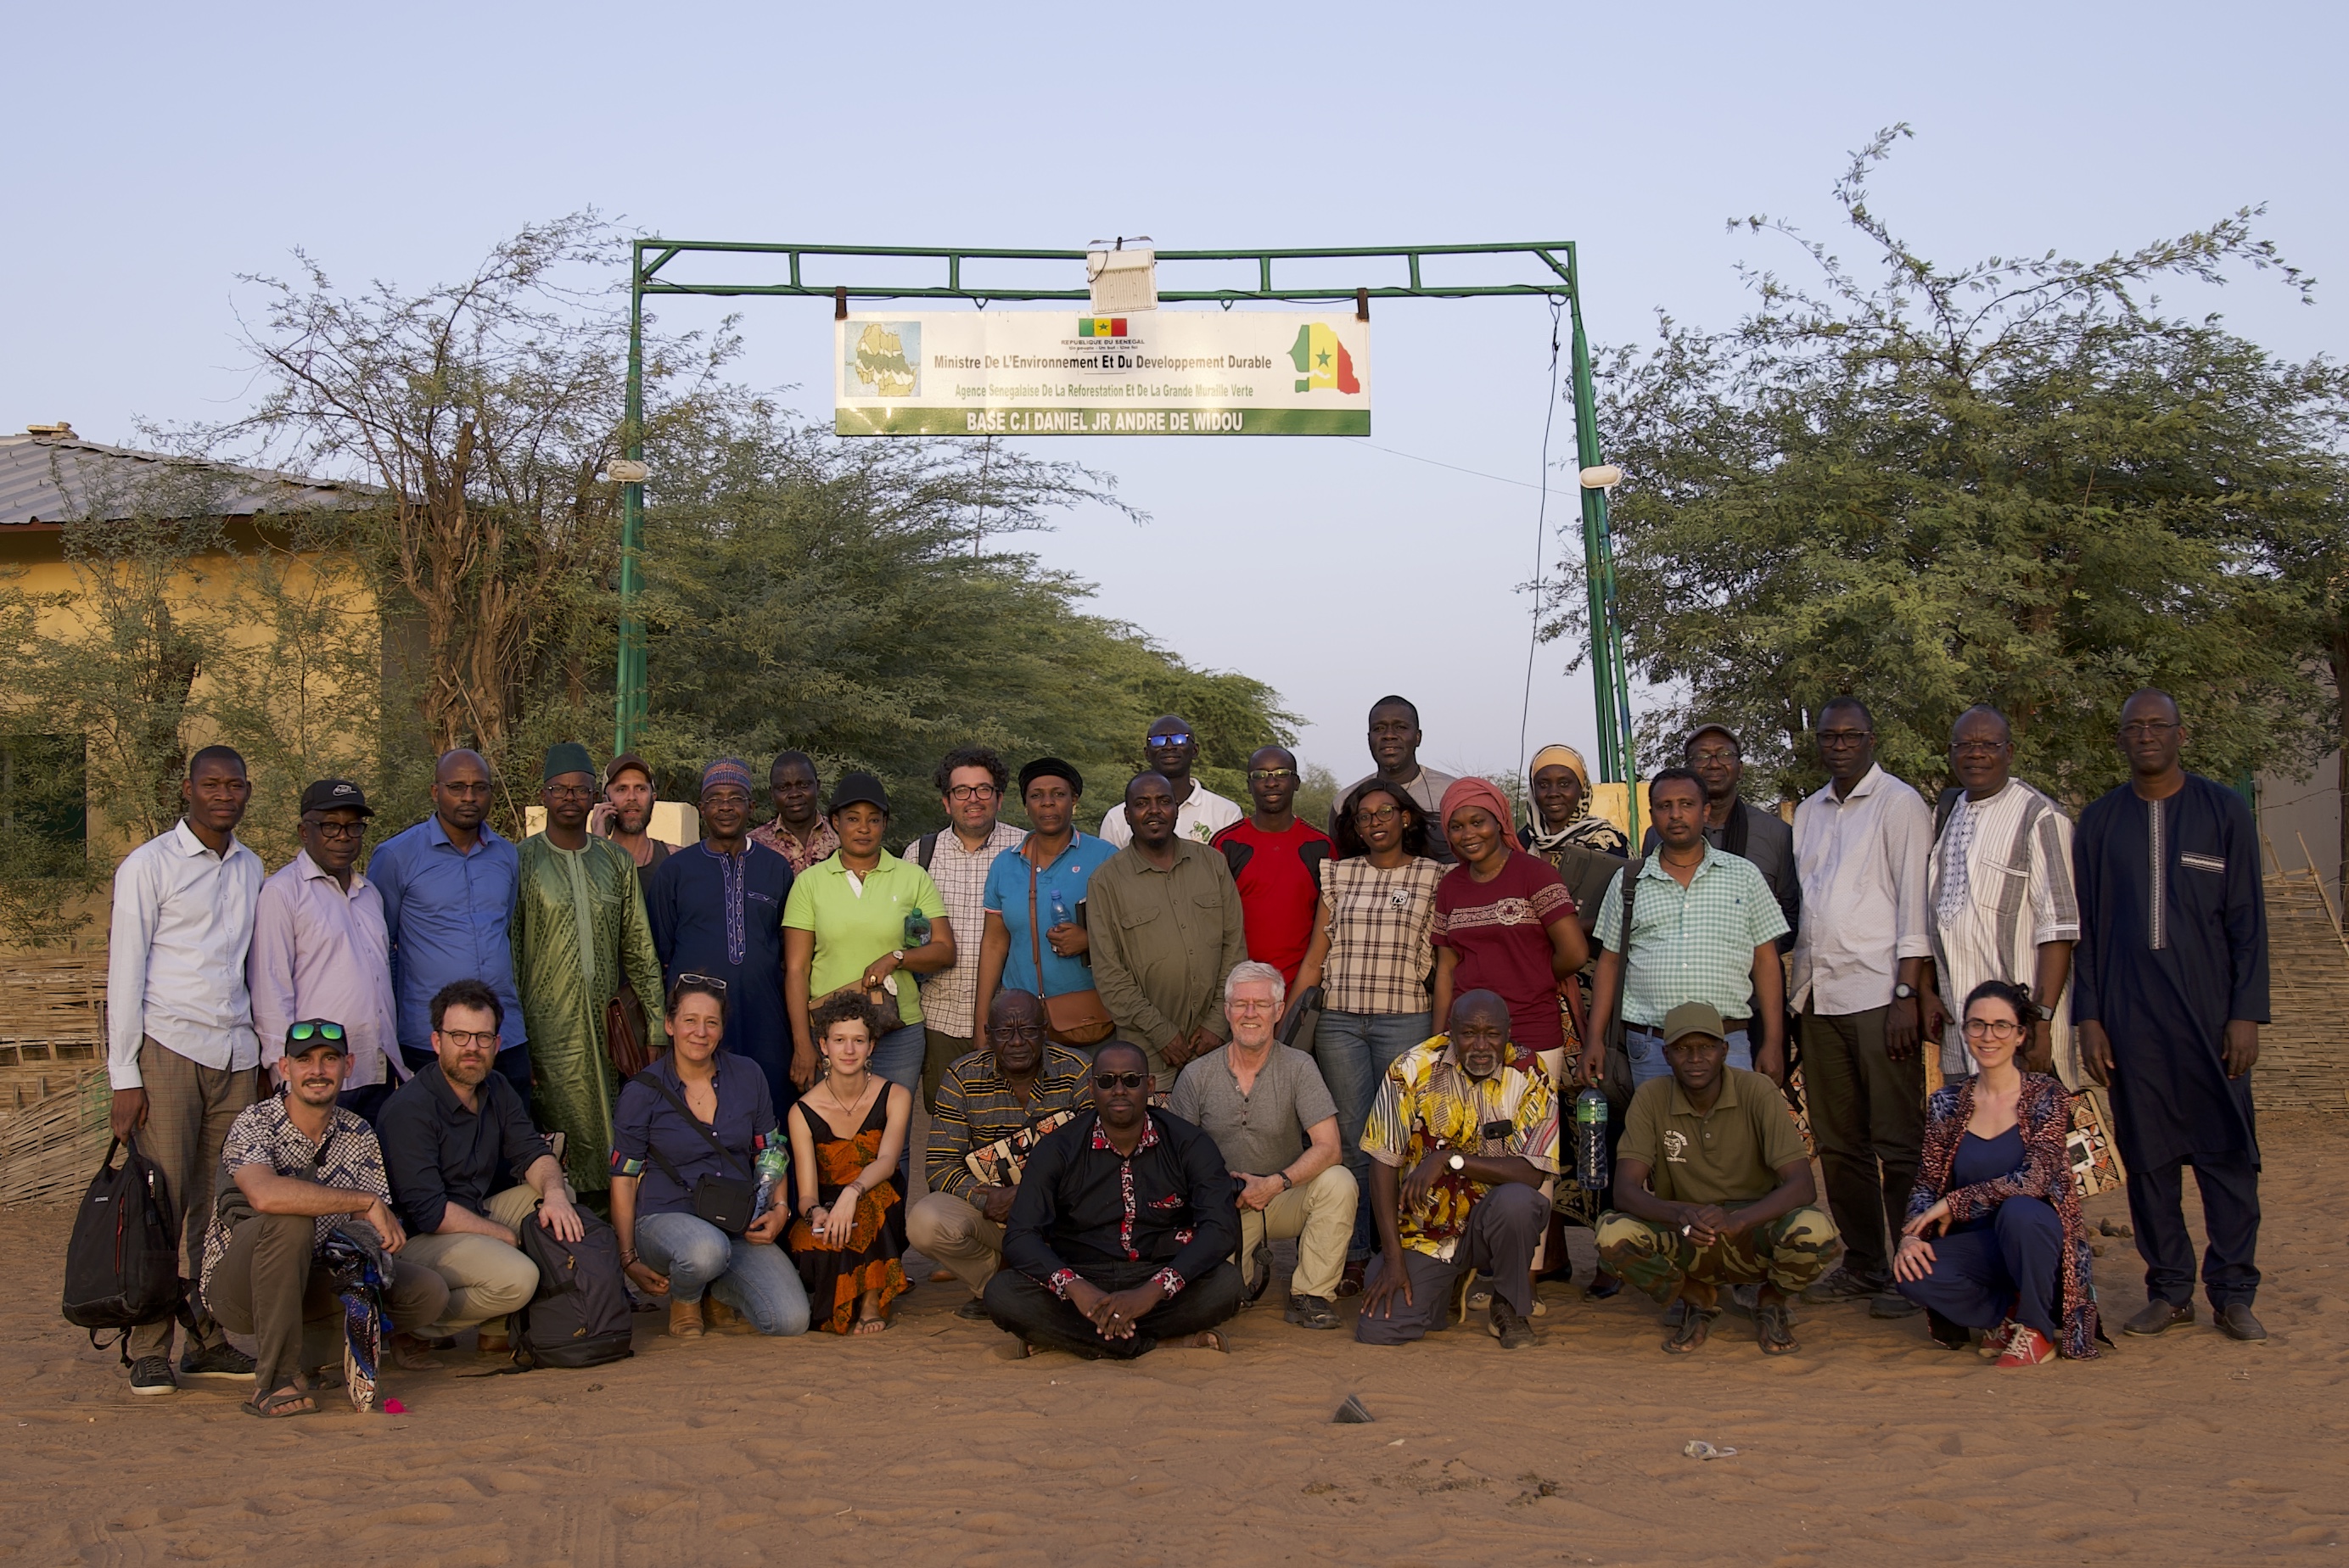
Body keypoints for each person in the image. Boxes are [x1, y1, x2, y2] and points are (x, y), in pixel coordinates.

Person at [2073, 688, 2270, 1342]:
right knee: (2149, 1161)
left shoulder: (2224, 812)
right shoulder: (2099, 823)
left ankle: (2234, 1291)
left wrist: (2246, 1014)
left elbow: (2248, 922)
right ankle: (2171, 1290)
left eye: (2159, 725)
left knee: (2228, 1160)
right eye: (2135, 726)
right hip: (2131, 1023)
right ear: (2122, 739)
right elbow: (2092, 933)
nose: (2147, 735)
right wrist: (2090, 1018)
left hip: (2213, 1020)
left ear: (2181, 736)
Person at [105, 744, 265, 1396]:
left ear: (247, 792)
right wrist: (124, 1074)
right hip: (168, 1048)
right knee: (160, 1202)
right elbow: (125, 971)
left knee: (218, 1205)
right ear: (187, 790)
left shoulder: (254, 868)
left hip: (237, 1055)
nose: (223, 795)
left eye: (234, 785)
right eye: (211, 784)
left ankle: (207, 1336)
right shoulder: (149, 866)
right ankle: (148, 1345)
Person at [198, 1018, 449, 1417]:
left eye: (329, 1059)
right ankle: (274, 1382)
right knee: (290, 1219)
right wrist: (362, 1201)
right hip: (239, 1290)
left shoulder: (358, 1132)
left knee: (425, 1291)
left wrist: (370, 1254)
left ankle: (311, 1358)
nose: (317, 1070)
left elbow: (372, 1230)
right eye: (305, 1060)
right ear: (285, 1068)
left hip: (314, 1278)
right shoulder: (254, 1122)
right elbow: (264, 1195)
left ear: (348, 1065)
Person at [1791, 697, 1934, 1319]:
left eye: (1851, 735)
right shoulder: (1810, 813)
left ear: (1872, 739)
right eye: (1830, 736)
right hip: (1819, 998)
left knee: (1897, 1142)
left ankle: (1912, 1270)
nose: (1840, 745)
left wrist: (1907, 993)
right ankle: (1864, 1263)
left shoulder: (1900, 804)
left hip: (1880, 996)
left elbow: (1914, 905)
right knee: (1839, 1143)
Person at [1595, 1002, 1842, 1355]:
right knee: (1611, 1233)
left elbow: (1802, 1185)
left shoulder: (1757, 1091)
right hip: (1688, 1234)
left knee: (1816, 1229)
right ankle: (1695, 1297)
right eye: (1682, 1049)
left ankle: (1771, 1301)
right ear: (1666, 1055)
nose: (1695, 1058)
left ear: (1725, 1050)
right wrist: (1679, 1215)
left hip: (1753, 1231)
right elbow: (1625, 1192)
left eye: (1707, 1047)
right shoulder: (1652, 1097)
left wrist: (1738, 1219)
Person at [983, 1041, 1244, 1358]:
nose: (1118, 1090)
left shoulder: (1189, 1143)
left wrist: (1152, 1292)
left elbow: (1220, 1229)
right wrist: (1078, 1290)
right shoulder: (1058, 1148)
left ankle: (1080, 1339)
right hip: (1081, 1275)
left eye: (1131, 1080)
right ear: (1092, 1087)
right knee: (1002, 1295)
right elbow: (1021, 1235)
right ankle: (1152, 1344)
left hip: (1156, 1274)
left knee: (1226, 1285)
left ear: (1149, 1085)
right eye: (1107, 1081)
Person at [1893, 979, 2100, 1364]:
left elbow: (2035, 1178)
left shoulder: (2046, 1094)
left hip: (2037, 1240)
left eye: (2001, 1026)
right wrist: (1911, 1236)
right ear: (1966, 1031)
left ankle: (2037, 1329)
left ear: (2020, 1035)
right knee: (1910, 1271)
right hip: (1981, 1245)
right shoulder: (1947, 1102)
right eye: (1977, 1025)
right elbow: (1926, 1182)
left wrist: (1954, 1203)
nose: (1989, 1037)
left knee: (2021, 1211)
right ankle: (2004, 1315)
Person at [378, 979, 586, 1358]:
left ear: (497, 1045)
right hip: (414, 1241)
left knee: (558, 1197)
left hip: (471, 1213)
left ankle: (494, 1326)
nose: (471, 1048)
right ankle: (413, 1324)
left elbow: (533, 1153)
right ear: (436, 1042)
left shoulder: (497, 1087)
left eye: (482, 1037)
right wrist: (504, 1235)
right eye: (459, 1036)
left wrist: (555, 1195)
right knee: (518, 1278)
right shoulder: (410, 1109)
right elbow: (429, 1211)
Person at [1296, 778, 1444, 1285]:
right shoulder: (1339, 875)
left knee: (1402, 1138)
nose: (1375, 821)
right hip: (1339, 1022)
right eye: (1364, 816)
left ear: (1406, 818)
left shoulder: (1434, 876)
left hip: (1405, 1019)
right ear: (1354, 827)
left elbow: (1444, 961)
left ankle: (1399, 1249)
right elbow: (1318, 953)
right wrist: (1289, 1018)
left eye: (1386, 812)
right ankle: (1356, 1252)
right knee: (1354, 1141)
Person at [611, 975, 810, 1337]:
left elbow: (770, 1150)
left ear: (721, 1029)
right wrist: (628, 1257)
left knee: (790, 1321)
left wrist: (780, 1210)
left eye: (711, 1022)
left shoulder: (748, 1074)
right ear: (670, 1025)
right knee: (705, 1249)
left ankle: (714, 1289)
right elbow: (624, 1177)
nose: (700, 1032)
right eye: (690, 1020)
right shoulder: (641, 1092)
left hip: (735, 1219)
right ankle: (685, 1300)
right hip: (666, 1218)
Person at [1355, 989, 1556, 1348]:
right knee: (1379, 1329)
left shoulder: (1530, 1073)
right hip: (1425, 1234)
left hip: (1490, 1224)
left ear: (1508, 1031)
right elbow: (1382, 1164)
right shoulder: (1410, 1069)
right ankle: (1450, 1285)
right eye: (1468, 1033)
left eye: (1492, 1034)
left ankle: (1509, 1306)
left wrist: (1449, 1160)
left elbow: (1533, 1174)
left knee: (1519, 1203)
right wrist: (1393, 1258)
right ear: (1451, 1030)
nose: (1481, 1045)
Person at [514, 742, 671, 1196]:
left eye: (579, 790)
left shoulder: (615, 862)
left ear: (592, 798)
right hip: (546, 1030)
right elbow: (511, 951)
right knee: (557, 1138)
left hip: (610, 1030)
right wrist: (517, 1034)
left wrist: (657, 1028)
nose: (569, 798)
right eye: (559, 789)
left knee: (617, 1130)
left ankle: (616, 1225)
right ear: (544, 795)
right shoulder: (522, 861)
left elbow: (640, 951)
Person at [1168, 962, 1356, 1330]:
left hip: (1281, 1195)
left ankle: (1311, 1294)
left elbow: (1329, 1147)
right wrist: (1221, 1189)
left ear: (1279, 1010)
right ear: (1227, 1011)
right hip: (1223, 1205)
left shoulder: (1299, 1067)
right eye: (1240, 1004)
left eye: (1261, 1004)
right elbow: (1174, 1159)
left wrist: (1275, 1183)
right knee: (1224, 1296)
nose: (1250, 1014)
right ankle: (1237, 1273)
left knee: (1339, 1181)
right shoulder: (1196, 1075)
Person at [1581, 768, 1790, 1089]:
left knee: (1731, 1138)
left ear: (1705, 811)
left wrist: (1773, 1041)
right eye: (1664, 806)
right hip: (1652, 1046)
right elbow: (1609, 963)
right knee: (1662, 1137)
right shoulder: (1629, 881)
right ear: (1652, 814)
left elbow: (1765, 960)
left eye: (1686, 804)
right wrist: (1595, 1038)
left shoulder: (1743, 876)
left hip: (1728, 1042)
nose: (1675, 814)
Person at [908, 989, 1096, 1315]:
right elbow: (940, 1166)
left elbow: (1097, 1155)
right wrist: (988, 1199)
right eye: (1005, 1032)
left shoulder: (1079, 1070)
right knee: (925, 1222)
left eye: (1028, 1030)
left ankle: (1051, 1282)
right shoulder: (961, 1076)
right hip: (995, 1211)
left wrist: (1030, 1195)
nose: (1018, 1041)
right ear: (988, 1034)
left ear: (1045, 1029)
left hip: (1063, 1212)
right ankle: (994, 1285)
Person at [1927, 706, 2080, 1080]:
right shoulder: (1945, 814)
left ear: (2009, 752)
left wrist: (2040, 1022)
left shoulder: (2039, 816)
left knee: (2036, 1136)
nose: (1975, 753)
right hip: (1962, 1034)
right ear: (1951, 753)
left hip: (2020, 1033)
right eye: (1964, 744)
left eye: (1988, 744)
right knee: (1972, 1135)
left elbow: (2058, 930)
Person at [782, 771, 953, 1098]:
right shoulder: (810, 882)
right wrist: (803, 1043)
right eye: (853, 819)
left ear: (885, 824)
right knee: (835, 1136)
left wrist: (897, 958)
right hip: (831, 1033)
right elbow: (796, 969)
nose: (864, 828)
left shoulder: (912, 877)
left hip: (897, 1031)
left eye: (873, 819)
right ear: (835, 822)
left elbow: (945, 950)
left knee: (894, 1135)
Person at [249, 778, 405, 1124]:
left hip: (374, 1069)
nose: (344, 836)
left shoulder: (370, 894)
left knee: (372, 1173)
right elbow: (269, 990)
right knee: (319, 1176)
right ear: (305, 832)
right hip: (317, 1078)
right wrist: (284, 1075)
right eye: (330, 826)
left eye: (353, 827)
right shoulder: (282, 893)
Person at [373, 749, 528, 1094]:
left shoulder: (506, 856)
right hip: (430, 1038)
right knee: (438, 1141)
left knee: (511, 1139)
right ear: (435, 791)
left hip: (503, 1034)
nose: (469, 797)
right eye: (457, 787)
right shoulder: (396, 857)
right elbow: (383, 948)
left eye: (480, 787)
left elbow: (505, 932)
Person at [647, 759, 795, 1113]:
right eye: (714, 799)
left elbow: (787, 950)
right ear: (702, 808)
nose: (725, 806)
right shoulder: (675, 871)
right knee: (699, 1112)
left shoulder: (775, 868)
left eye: (736, 797)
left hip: (765, 1019)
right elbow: (660, 950)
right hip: (698, 1023)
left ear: (752, 807)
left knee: (769, 1112)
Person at [1085, 771, 1250, 1089]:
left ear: (1176, 808)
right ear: (1127, 815)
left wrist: (1217, 1023)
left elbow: (1234, 947)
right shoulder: (1106, 881)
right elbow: (1109, 973)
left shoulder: (1212, 864)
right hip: (1147, 1052)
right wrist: (1161, 1032)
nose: (1154, 810)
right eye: (1142, 803)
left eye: (1164, 801)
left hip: (1213, 1042)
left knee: (1215, 1134)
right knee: (1155, 1135)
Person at [1429, 776, 1589, 1067]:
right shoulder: (1450, 886)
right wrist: (1438, 1039)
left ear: (1500, 821)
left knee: (1533, 1113)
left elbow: (1575, 953)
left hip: (1531, 1029)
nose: (1468, 834)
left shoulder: (1535, 875)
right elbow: (1446, 970)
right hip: (1467, 1039)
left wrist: (1532, 978)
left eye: (1478, 822)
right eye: (1457, 826)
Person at [785, 994, 915, 1334]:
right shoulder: (801, 1112)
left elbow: (887, 1162)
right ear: (823, 1046)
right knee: (818, 1239)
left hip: (880, 1197)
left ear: (871, 1047)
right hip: (828, 1206)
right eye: (839, 1041)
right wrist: (818, 1213)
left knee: (870, 1203)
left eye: (858, 1041)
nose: (849, 1050)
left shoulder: (896, 1096)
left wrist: (852, 1193)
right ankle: (846, 1297)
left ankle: (871, 1301)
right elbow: (806, 1195)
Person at [908, 746, 1025, 1108]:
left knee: (1015, 1125)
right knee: (948, 1126)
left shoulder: (1026, 849)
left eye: (983, 789)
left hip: (1014, 1020)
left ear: (999, 798)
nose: (973, 799)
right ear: (947, 802)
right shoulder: (919, 855)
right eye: (962, 791)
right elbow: (910, 937)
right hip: (940, 1019)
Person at [973, 759, 1108, 1056]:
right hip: (1021, 1023)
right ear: (1025, 806)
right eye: (1036, 796)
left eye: (1059, 794)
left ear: (1074, 801)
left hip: (1089, 1018)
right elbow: (995, 943)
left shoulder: (1105, 857)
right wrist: (981, 1021)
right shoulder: (1005, 864)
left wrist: (1090, 941)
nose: (1048, 803)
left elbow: (1133, 934)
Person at [1211, 745, 1335, 989]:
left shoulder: (1321, 846)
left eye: (1281, 773)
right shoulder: (1226, 844)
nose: (1271, 782)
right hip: (1239, 991)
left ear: (1296, 782)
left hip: (1302, 990)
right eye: (1260, 775)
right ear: (1248, 785)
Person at [1668, 725, 1800, 943]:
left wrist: (1749, 958)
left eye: (1725, 755)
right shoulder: (1663, 835)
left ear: (1741, 768)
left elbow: (1792, 916)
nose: (1714, 764)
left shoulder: (1776, 834)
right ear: (1688, 769)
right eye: (1701, 757)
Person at [1332, 695, 1460, 862]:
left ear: (1417, 737)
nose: (1389, 736)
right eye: (1379, 729)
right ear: (1369, 739)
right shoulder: (1344, 802)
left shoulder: (1451, 793)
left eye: (1400, 727)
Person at [1095, 714, 1244, 848]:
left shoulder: (1226, 812)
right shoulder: (1117, 818)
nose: (1169, 747)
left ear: (1195, 750)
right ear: (1147, 753)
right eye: (1158, 741)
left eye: (1179, 739)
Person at [1522, 742, 1629, 858]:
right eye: (1543, 785)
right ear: (1533, 790)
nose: (1553, 793)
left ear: (1582, 788)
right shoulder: (1522, 841)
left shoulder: (1608, 840)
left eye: (1564, 784)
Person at [750, 750, 841, 874]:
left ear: (817, 786)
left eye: (803, 785)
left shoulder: (843, 837)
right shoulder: (754, 847)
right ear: (772, 794)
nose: (794, 794)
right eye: (783, 788)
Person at [599, 752, 676, 890]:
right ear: (606, 800)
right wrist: (598, 849)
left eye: (640, 789)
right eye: (621, 789)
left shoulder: (674, 860)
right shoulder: (587, 862)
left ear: (653, 798)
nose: (632, 797)